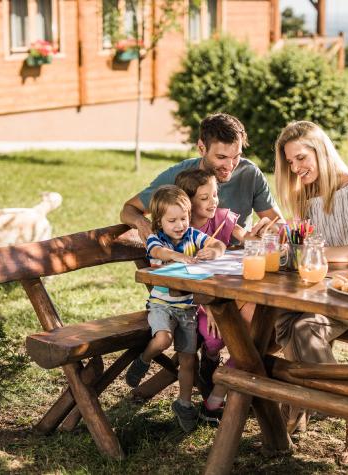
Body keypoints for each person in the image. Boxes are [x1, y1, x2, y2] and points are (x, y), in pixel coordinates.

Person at [273, 121, 348, 468]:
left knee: (301, 328)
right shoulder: (307, 196)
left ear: (320, 151)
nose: (295, 168)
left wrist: (314, 252)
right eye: (290, 163)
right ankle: (313, 404)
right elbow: (303, 246)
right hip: (325, 291)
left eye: (300, 158)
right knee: (284, 320)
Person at [124, 185, 226, 432]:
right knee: (163, 339)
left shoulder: (192, 235)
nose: (180, 225)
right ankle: (143, 359)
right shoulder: (156, 238)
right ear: (159, 221)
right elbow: (157, 252)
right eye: (172, 220)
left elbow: (219, 245)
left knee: (188, 360)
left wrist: (210, 251)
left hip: (188, 309)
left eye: (184, 218)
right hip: (161, 305)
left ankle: (184, 403)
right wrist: (179, 257)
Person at [120, 112, 281, 244]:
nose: (230, 165)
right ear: (201, 148)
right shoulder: (178, 176)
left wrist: (269, 230)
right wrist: (142, 223)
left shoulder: (249, 173)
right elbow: (129, 209)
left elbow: (277, 224)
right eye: (221, 157)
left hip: (237, 267)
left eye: (236, 156)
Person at [173, 168, 250, 425]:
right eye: (204, 198)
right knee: (214, 337)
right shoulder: (178, 230)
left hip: (225, 296)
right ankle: (212, 369)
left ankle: (219, 381)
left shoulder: (221, 219)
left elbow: (247, 237)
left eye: (215, 195)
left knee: (250, 324)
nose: (213, 202)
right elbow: (177, 283)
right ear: (187, 201)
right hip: (194, 302)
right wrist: (211, 309)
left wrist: (259, 236)